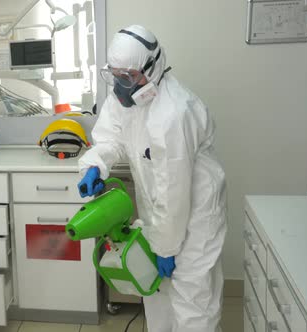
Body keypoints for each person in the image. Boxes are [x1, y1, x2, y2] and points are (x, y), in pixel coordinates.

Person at [78, 25, 227, 332]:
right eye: (114, 76)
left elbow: (175, 189)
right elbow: (111, 138)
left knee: (193, 305)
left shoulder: (174, 112)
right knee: (157, 294)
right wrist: (95, 164)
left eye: (128, 77)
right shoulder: (127, 98)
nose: (120, 86)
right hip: (159, 215)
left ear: (153, 67)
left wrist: (167, 247)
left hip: (195, 217)